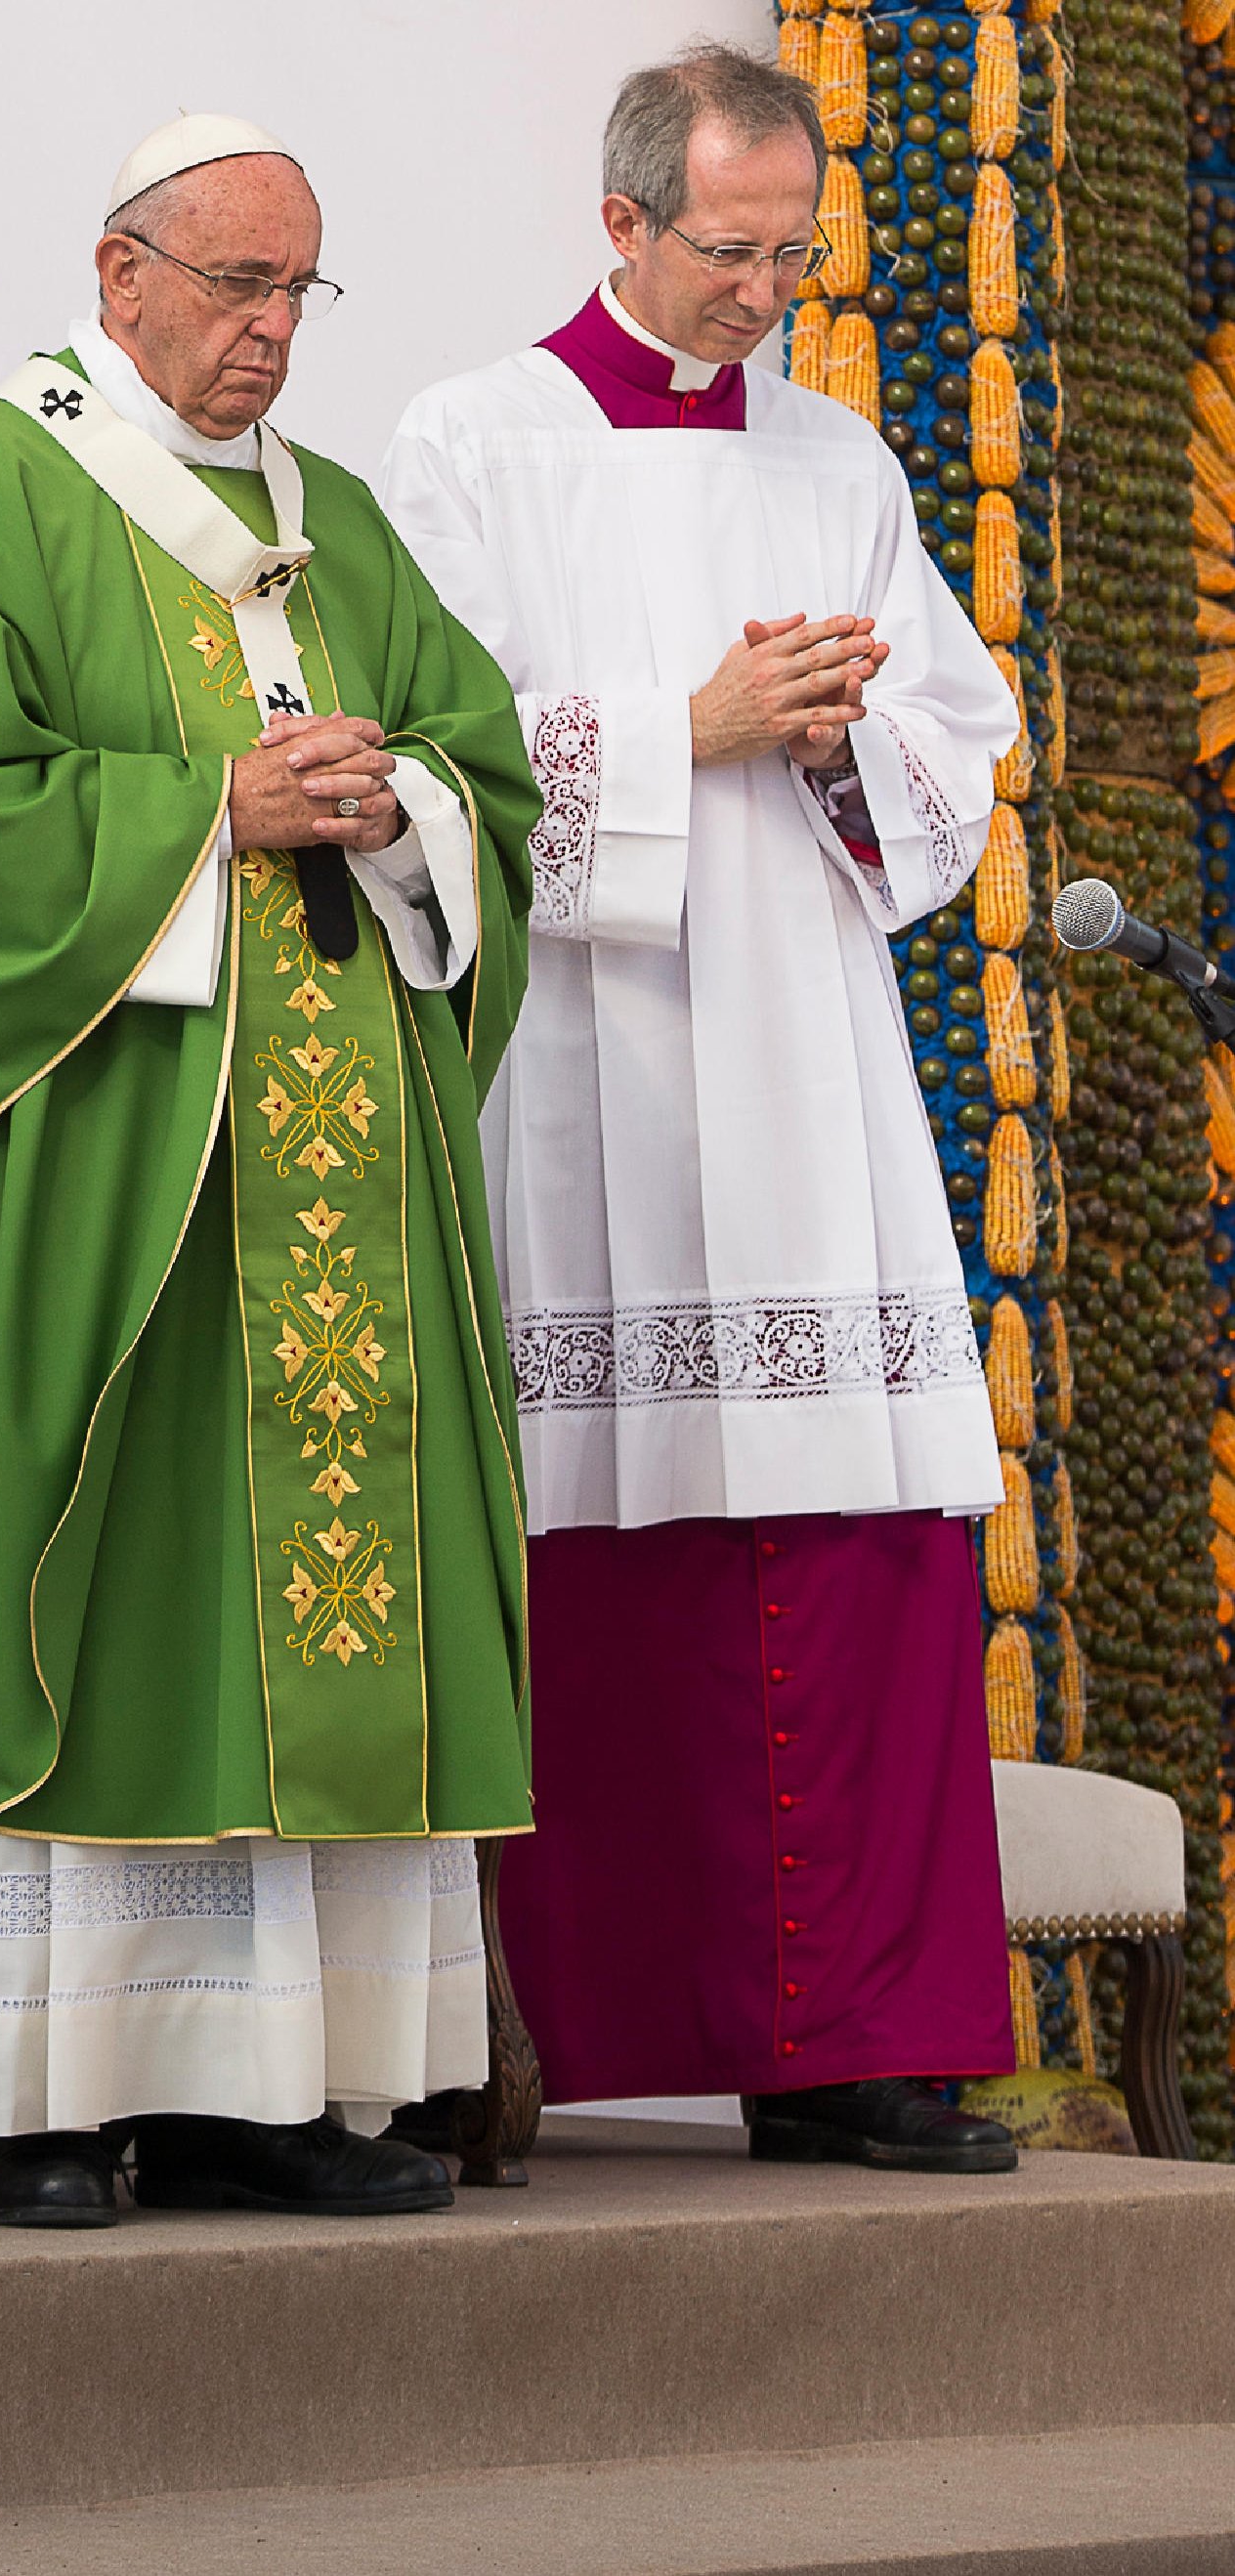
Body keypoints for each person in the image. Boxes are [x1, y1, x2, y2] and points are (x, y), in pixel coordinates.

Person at [0, 117, 540, 2229]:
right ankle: (57, 2096)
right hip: (95, 1178)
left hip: (335, 1199)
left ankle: (274, 2089)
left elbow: (487, 766)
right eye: (233, 287)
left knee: (304, 1612)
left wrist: (400, 813)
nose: (270, 331)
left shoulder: (335, 525)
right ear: (120, 280)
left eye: (298, 293)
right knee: (108, 1587)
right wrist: (213, 809)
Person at [377, 46, 1020, 2172]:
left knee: (850, 1523)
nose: (764, 293)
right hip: (587, 1074)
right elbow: (432, 768)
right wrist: (693, 726)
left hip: (804, 1060)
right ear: (619, 225)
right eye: (730, 254)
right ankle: (579, 2022)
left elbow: (951, 741)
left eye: (792, 253)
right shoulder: (466, 445)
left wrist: (843, 749)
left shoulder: (835, 456)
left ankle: (857, 2046)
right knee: (609, 1531)